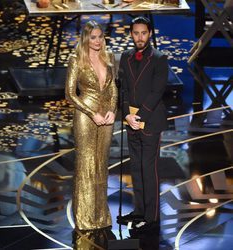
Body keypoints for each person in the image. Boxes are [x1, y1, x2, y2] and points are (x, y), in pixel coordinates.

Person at [65, 20, 118, 231]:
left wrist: (112, 111)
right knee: (86, 165)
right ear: (86, 39)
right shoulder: (76, 59)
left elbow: (113, 88)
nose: (97, 41)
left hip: (106, 118)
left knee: (101, 165)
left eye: (100, 37)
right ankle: (84, 218)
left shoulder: (109, 57)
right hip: (86, 117)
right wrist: (91, 113)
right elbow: (69, 94)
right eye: (93, 37)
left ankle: (100, 216)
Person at [118, 16, 168, 229]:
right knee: (136, 169)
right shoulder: (125, 57)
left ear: (149, 34)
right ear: (131, 34)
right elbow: (123, 89)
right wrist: (127, 115)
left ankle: (151, 216)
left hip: (150, 122)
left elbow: (157, 92)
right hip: (132, 121)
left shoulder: (159, 58)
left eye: (143, 33)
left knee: (149, 169)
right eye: (136, 33)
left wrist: (139, 118)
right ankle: (139, 211)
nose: (140, 37)